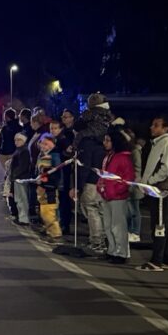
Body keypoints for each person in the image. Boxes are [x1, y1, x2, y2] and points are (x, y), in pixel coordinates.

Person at [136, 116, 168, 272]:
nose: (151, 128)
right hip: (156, 188)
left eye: (156, 125)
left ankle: (157, 261)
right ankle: (167, 260)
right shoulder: (157, 144)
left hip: (161, 189)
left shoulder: (167, 144)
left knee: (159, 225)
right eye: (152, 125)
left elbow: (166, 168)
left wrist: (151, 181)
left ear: (165, 128)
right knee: (161, 223)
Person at [71, 93, 112, 253]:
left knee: (90, 207)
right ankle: (104, 240)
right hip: (102, 179)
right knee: (100, 210)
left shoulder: (88, 141)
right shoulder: (104, 133)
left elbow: (85, 165)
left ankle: (97, 242)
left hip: (91, 180)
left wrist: (79, 186)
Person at [97, 127, 135, 265]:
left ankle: (121, 253)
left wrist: (116, 191)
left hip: (117, 197)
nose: (105, 143)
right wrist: (101, 189)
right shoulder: (109, 156)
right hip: (107, 195)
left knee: (118, 226)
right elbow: (104, 174)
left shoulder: (123, 158)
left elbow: (128, 178)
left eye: (108, 140)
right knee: (108, 225)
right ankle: (112, 250)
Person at [36, 133, 64, 243]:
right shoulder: (43, 154)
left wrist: (50, 182)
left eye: (46, 143)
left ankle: (55, 235)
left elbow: (56, 172)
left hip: (50, 188)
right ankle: (50, 232)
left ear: (52, 143)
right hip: (43, 187)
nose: (43, 145)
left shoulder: (54, 155)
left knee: (49, 210)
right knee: (45, 210)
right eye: (42, 143)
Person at [50, 119, 74, 235]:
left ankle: (65, 224)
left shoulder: (63, 140)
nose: (53, 130)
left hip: (63, 173)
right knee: (59, 198)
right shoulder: (55, 140)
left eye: (55, 128)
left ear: (61, 129)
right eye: (51, 128)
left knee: (64, 199)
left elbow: (68, 154)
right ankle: (60, 223)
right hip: (57, 173)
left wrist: (62, 155)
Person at [125, 129, 144, 243]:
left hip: (134, 185)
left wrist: (133, 184)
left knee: (134, 210)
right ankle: (129, 231)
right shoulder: (128, 151)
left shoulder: (135, 151)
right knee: (128, 210)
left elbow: (137, 169)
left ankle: (135, 232)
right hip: (127, 184)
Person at [10, 132, 32, 225]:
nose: (16, 142)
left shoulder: (24, 151)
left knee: (22, 199)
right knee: (18, 199)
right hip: (18, 178)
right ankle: (21, 217)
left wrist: (15, 175)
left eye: (19, 140)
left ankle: (24, 219)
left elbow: (23, 166)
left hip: (21, 178)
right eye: (15, 140)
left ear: (24, 140)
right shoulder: (19, 150)